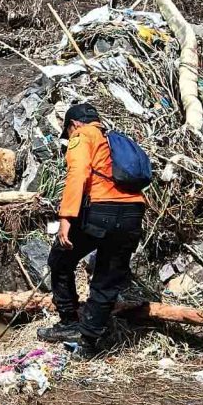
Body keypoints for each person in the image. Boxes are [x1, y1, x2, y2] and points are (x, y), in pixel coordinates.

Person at [37, 103, 146, 355]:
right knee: (107, 278)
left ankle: (69, 322)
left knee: (61, 259)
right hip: (133, 213)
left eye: (68, 132)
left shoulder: (83, 136)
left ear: (74, 125)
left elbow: (78, 173)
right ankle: (88, 343)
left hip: (102, 213)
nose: (69, 138)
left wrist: (65, 218)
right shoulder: (115, 140)